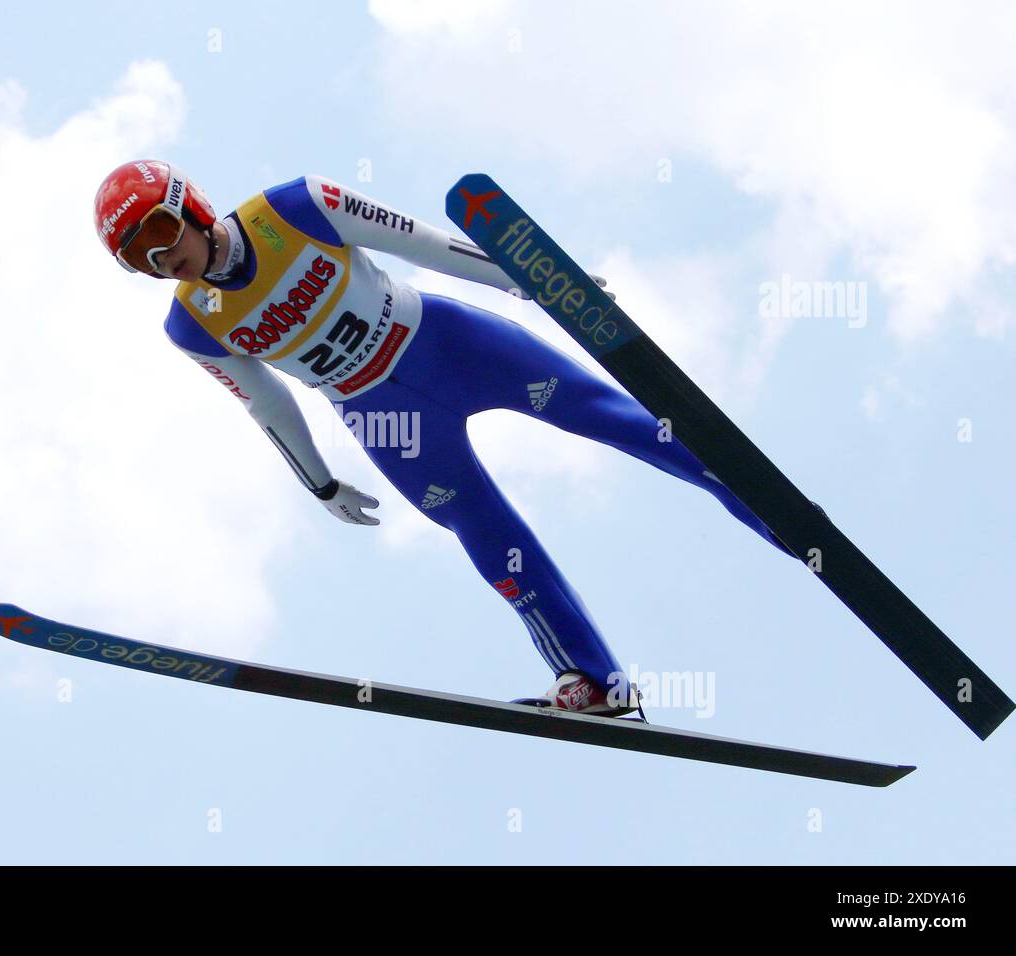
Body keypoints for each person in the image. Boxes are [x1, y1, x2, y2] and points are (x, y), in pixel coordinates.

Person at [92, 159, 794, 717]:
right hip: (385, 420)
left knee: (612, 418)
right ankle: (592, 679)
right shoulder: (191, 326)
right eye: (139, 259)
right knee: (486, 533)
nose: (161, 260)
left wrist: (536, 283)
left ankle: (759, 499)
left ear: (191, 205)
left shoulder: (295, 207)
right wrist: (321, 482)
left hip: (448, 343)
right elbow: (266, 402)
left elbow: (429, 245)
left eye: (159, 233)